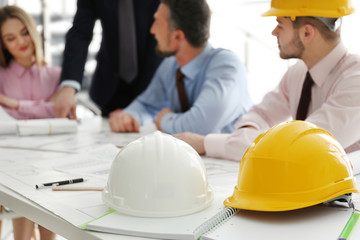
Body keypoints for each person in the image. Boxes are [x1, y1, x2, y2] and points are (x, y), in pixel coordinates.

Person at [175, 0, 360, 161]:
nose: (273, 32)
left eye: (280, 25)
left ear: (307, 33)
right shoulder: (298, 73)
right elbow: (259, 114)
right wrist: (244, 135)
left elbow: (301, 145)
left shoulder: (356, 81)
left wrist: (205, 143)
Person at [109, 0, 252, 135]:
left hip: (234, 159)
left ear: (178, 37)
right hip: (190, 157)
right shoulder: (171, 65)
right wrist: (128, 116)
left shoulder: (227, 67)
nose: (152, 30)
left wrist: (165, 120)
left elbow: (200, 127)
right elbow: (147, 104)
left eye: (157, 23)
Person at [0, 5, 59, 240]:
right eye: (10, 38)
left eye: (24, 32)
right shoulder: (2, 76)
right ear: (3, 44)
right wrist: (44, 108)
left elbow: (59, 114)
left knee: (47, 190)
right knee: (23, 192)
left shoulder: (56, 75)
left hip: (50, 160)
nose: (21, 42)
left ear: (33, 31)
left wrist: (14, 104)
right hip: (12, 163)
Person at [54, 0, 163, 119]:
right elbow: (80, 33)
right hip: (110, 90)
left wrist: (141, 104)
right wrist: (69, 87)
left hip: (152, 88)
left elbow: (161, 39)